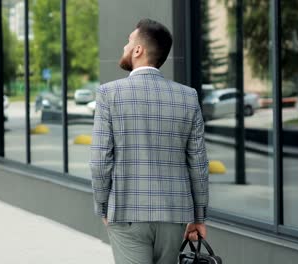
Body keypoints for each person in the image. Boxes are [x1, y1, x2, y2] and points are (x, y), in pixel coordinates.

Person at [90, 18, 209, 264]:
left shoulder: (109, 94)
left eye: (128, 41)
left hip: (126, 212)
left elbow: (100, 161)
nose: (124, 47)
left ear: (138, 50)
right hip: (174, 215)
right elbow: (198, 164)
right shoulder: (188, 97)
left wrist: (103, 207)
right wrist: (198, 217)